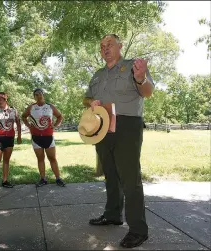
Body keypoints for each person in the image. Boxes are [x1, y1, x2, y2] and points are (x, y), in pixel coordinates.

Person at [83, 34, 155, 248]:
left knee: (130, 178)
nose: (105, 49)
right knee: (110, 174)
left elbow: (148, 91)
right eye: (102, 46)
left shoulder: (133, 66)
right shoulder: (98, 74)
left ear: (120, 46)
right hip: (102, 126)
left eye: (110, 45)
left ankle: (138, 230)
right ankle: (113, 214)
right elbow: (86, 97)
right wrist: (91, 101)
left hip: (127, 126)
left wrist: (141, 78)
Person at [21, 88, 66, 187]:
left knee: (52, 158)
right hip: (36, 138)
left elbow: (59, 116)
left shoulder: (50, 107)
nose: (38, 96)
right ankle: (43, 179)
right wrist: (28, 125)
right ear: (34, 97)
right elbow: (23, 116)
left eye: (40, 94)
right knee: (40, 159)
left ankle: (58, 178)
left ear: (43, 95)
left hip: (48, 137)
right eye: (36, 95)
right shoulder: (31, 107)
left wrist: (55, 125)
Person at [0, 92, 22, 188]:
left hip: (10, 138)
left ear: (5, 100)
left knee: (6, 160)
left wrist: (19, 136)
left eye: (0, 99)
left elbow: (18, 124)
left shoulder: (13, 111)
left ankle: (5, 181)